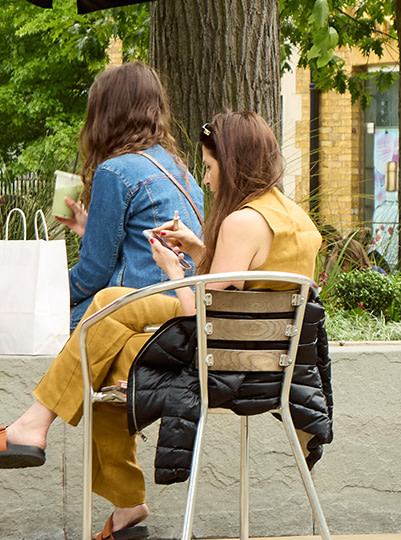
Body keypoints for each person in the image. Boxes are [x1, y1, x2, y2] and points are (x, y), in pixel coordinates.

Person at [0, 112, 327, 540]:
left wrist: (175, 270)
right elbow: (246, 286)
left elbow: (202, 316)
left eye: (210, 168)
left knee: (103, 351)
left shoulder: (240, 221)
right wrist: (197, 247)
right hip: (267, 361)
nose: (208, 181)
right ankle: (77, 464)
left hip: (222, 362)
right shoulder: (293, 219)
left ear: (233, 164)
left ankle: (68, 452)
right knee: (108, 311)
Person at [58, 61, 204, 329]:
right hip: (185, 305)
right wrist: (90, 229)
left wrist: (47, 293)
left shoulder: (114, 171)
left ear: (106, 115)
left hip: (143, 309)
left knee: (47, 324)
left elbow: (92, 275)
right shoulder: (179, 169)